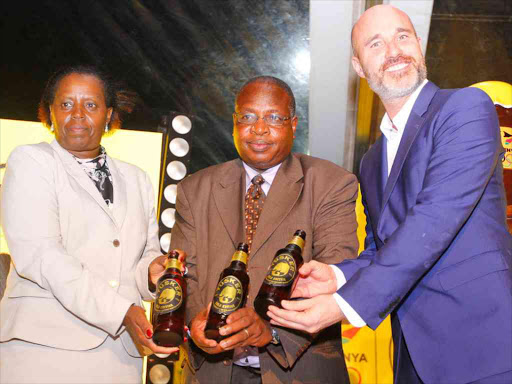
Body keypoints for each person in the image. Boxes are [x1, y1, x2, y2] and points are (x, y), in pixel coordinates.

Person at [268, 5, 512, 384]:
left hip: (483, 345)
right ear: (360, 67)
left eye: (402, 36)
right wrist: (335, 275)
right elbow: (382, 249)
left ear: (420, 46)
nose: (394, 50)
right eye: (376, 43)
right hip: (412, 358)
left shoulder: (465, 108)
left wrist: (345, 304)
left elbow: (436, 218)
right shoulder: (370, 161)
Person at [170, 76, 359, 383]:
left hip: (299, 369)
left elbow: (333, 275)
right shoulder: (194, 189)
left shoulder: (330, 183)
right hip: (213, 370)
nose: (259, 128)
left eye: (273, 117)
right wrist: (195, 325)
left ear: (293, 125)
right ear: (234, 122)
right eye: (247, 117)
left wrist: (270, 331)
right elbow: (184, 275)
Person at [0, 65, 180, 384]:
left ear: (109, 114)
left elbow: (139, 259)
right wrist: (121, 310)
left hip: (118, 356)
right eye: (66, 104)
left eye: (91, 105)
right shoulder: (30, 161)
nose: (78, 114)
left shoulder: (137, 178)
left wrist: (151, 274)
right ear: (50, 113)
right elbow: (42, 256)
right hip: (43, 351)